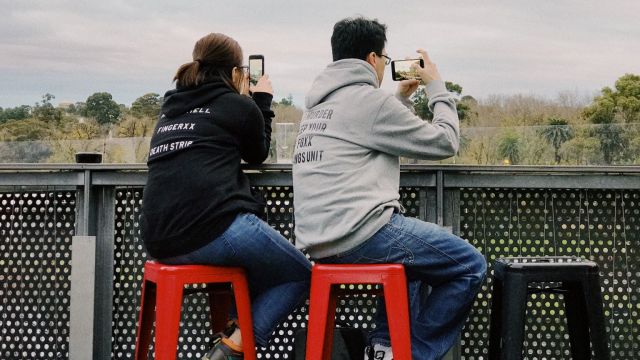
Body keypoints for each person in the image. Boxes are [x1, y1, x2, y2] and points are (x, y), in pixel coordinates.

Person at [292, 17, 487, 360]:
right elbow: (445, 142)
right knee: (470, 265)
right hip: (359, 234)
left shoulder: (318, 105)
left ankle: (384, 348)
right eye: (384, 57)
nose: (384, 64)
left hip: (318, 240)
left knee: (412, 263)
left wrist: (400, 97)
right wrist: (437, 87)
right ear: (371, 60)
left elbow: (371, 129)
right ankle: (412, 354)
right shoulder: (369, 101)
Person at [140, 32, 312, 360]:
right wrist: (260, 101)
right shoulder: (236, 104)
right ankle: (234, 346)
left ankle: (235, 328)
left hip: (158, 240)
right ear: (236, 73)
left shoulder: (169, 109)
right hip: (213, 228)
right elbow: (258, 152)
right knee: (300, 273)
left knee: (250, 266)